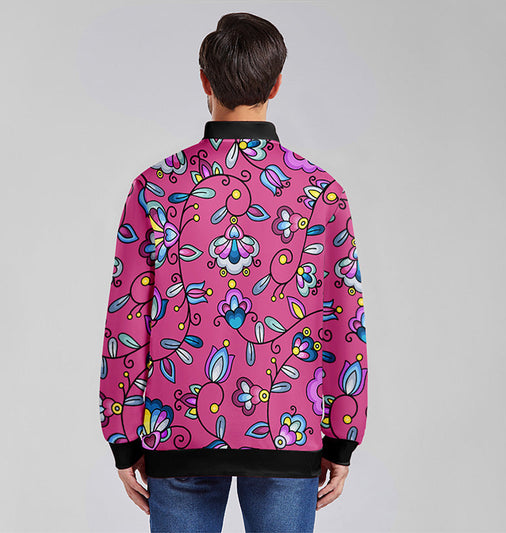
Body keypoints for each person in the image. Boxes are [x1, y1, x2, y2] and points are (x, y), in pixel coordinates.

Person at [98, 11, 368, 533]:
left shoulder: (157, 187)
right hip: (289, 427)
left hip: (178, 423)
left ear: (205, 81)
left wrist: (123, 435)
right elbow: (343, 319)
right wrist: (342, 434)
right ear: (277, 84)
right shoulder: (320, 192)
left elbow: (126, 317)